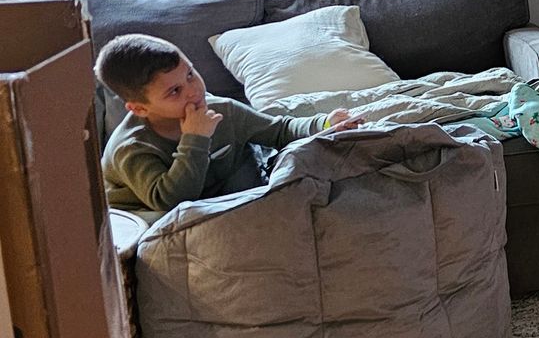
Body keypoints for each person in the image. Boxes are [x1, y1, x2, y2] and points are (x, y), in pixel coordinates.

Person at [95, 33, 360, 212]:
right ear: (139, 109)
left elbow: (279, 131)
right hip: (152, 216)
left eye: (190, 74)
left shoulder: (223, 111)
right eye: (174, 91)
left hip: (223, 196)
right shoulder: (131, 149)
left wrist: (324, 124)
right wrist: (195, 140)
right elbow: (170, 202)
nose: (193, 90)